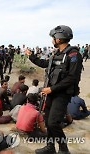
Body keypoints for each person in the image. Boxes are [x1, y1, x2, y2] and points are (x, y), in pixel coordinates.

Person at [26, 25, 83, 154]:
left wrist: (52, 89)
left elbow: (72, 78)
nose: (52, 39)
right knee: (47, 121)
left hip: (62, 94)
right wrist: (31, 56)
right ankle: (50, 147)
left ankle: (64, 150)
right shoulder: (56, 54)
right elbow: (44, 64)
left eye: (54, 37)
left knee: (53, 123)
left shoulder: (74, 55)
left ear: (59, 39)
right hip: (51, 93)